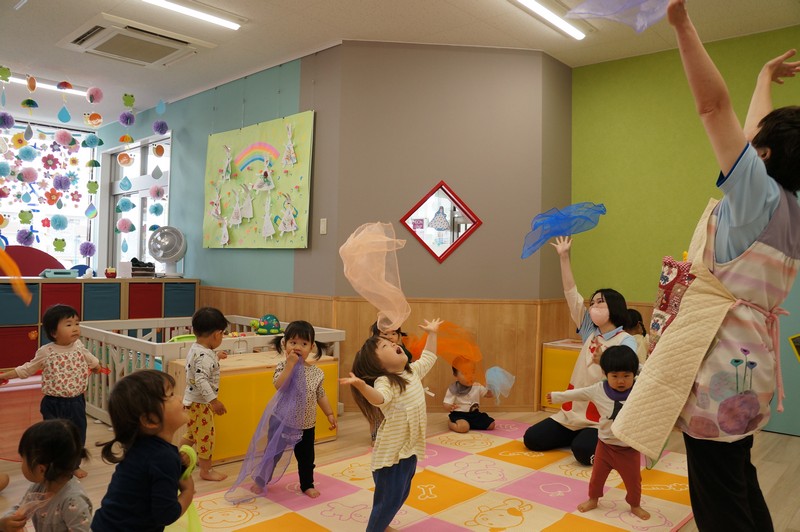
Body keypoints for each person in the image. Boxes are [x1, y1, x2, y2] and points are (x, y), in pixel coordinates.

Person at [620, 2, 800, 529]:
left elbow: (713, 107)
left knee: (718, 502)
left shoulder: (756, 196)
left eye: (753, 145)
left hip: (718, 368)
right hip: (752, 369)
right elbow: (752, 130)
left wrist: (682, 24)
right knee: (738, 477)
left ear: (761, 157)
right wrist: (764, 76)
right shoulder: (790, 207)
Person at [523, 236, 637, 465]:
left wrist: (605, 360)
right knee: (532, 439)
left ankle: (594, 439)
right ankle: (578, 434)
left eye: (600, 302)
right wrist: (564, 257)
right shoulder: (589, 331)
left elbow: (628, 373)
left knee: (583, 452)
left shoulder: (626, 340)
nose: (593, 306)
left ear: (614, 307)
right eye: (592, 303)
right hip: (573, 412)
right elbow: (571, 294)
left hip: (602, 415)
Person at [340, 318, 442, 532]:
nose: (394, 343)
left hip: (409, 449)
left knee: (400, 495)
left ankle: (382, 524)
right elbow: (380, 399)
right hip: (391, 458)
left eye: (393, 341)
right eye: (385, 345)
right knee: (388, 500)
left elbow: (429, 356)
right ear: (378, 364)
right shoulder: (384, 381)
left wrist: (432, 334)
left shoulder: (411, 372)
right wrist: (362, 387)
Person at [548, 346, 649, 520]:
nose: (621, 381)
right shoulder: (598, 389)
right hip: (605, 446)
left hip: (629, 448)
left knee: (634, 481)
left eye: (626, 376)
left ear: (634, 374)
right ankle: (593, 499)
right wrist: (557, 396)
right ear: (605, 373)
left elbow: (651, 372)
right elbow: (579, 393)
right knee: (597, 477)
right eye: (615, 376)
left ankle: (635, 505)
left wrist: (634, 365)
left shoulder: (639, 387)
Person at [0, 304, 100, 478]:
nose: (75, 328)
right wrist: (5, 375)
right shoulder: (46, 351)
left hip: (76, 402)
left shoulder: (78, 345)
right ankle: (53, 464)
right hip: (53, 403)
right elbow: (27, 369)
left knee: (77, 434)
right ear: (54, 332)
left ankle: (73, 465)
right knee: (53, 436)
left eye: (77, 323)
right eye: (68, 324)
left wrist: (97, 366)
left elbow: (90, 358)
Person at [91, 370, 195, 531]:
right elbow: (166, 514)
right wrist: (188, 491)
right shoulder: (163, 457)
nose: (180, 398)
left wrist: (179, 465)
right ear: (149, 420)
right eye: (171, 395)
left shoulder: (141, 448)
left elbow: (149, 479)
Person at [250, 320, 337, 498]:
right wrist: (289, 365)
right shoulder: (283, 366)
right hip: (282, 421)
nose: (297, 347)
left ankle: (307, 484)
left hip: (306, 424)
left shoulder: (316, 373)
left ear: (312, 347)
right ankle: (261, 480)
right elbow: (279, 386)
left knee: (307, 459)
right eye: (293, 342)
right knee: (272, 454)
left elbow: (320, 394)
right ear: (285, 344)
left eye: (303, 344)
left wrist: (329, 413)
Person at [0, 420, 92, 531]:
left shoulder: (73, 501)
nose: (21, 464)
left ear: (41, 469)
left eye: (23, 459)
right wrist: (6, 522)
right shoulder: (40, 486)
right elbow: (21, 508)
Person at [179, 307, 229, 482]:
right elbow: (201, 379)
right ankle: (206, 471)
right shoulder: (205, 356)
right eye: (222, 334)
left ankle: (176, 460)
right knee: (207, 437)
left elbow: (200, 365)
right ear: (216, 334)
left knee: (192, 434)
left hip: (191, 401)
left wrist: (216, 356)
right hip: (201, 404)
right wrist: (214, 401)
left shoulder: (196, 349)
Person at [443, 358, 495, 433]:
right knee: (463, 428)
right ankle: (451, 423)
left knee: (491, 425)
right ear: (455, 375)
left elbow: (488, 394)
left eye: (472, 372)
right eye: (465, 373)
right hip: (459, 415)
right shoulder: (454, 389)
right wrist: (449, 406)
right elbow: (446, 403)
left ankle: (470, 424)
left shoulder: (477, 386)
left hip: (474, 414)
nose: (469, 376)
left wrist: (490, 388)